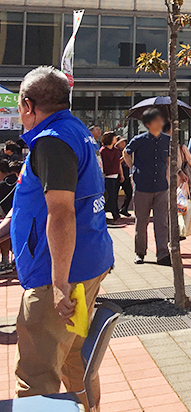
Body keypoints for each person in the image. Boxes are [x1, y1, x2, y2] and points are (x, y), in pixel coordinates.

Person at [10, 66, 113, 404]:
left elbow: (62, 212)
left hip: (56, 277)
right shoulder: (76, 130)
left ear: (28, 105)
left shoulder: (51, 141)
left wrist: (58, 283)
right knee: (74, 362)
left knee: (36, 379)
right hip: (85, 265)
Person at [124, 108, 171, 265]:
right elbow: (126, 152)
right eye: (157, 120)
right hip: (142, 186)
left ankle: (163, 254)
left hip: (161, 187)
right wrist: (132, 169)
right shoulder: (140, 139)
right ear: (149, 123)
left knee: (162, 222)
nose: (161, 122)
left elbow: (169, 159)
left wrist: (170, 177)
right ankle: (140, 253)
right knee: (141, 221)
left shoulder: (167, 140)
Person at [99, 131, 123, 222]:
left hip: (115, 175)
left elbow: (117, 162)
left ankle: (115, 213)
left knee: (114, 196)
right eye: (114, 137)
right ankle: (106, 214)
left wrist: (121, 174)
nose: (116, 138)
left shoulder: (116, 150)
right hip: (107, 176)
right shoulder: (103, 150)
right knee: (108, 196)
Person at [0, 160, 15, 273]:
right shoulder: (20, 183)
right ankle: (7, 261)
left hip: (8, 218)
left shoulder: (3, 185)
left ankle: (5, 262)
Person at [116, 136, 132, 217]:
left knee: (129, 192)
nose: (123, 144)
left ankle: (124, 208)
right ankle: (115, 210)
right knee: (114, 194)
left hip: (125, 171)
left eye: (124, 142)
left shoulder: (125, 150)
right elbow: (117, 162)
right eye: (121, 142)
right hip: (118, 173)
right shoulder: (116, 151)